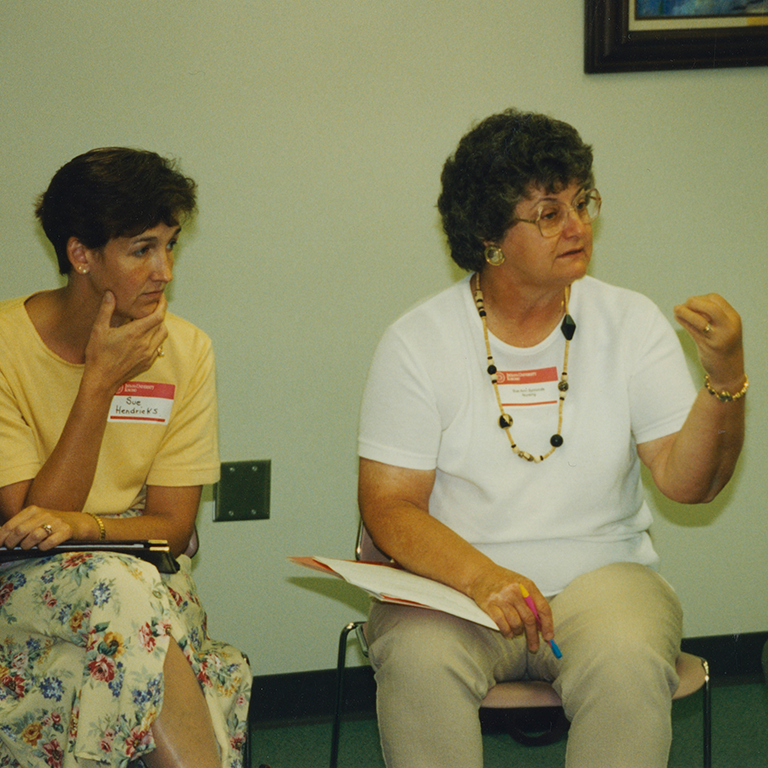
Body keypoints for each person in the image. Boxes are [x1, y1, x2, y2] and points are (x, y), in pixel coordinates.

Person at [357, 109, 746, 768]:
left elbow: (689, 484)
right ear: (489, 235)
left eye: (581, 201)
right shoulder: (417, 341)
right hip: (457, 585)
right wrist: (485, 578)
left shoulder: (630, 321)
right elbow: (389, 507)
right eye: (548, 212)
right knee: (418, 660)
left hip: (603, 577)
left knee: (626, 659)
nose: (577, 225)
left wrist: (725, 379)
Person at [0, 148, 251, 768]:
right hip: (20, 579)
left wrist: (92, 528)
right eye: (142, 249)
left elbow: (174, 528)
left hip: (143, 576)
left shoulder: (187, 350)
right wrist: (98, 384)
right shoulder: (5, 346)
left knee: (125, 599)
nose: (164, 270)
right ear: (81, 254)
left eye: (171, 245)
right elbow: (31, 523)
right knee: (133, 595)